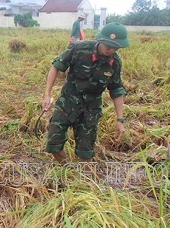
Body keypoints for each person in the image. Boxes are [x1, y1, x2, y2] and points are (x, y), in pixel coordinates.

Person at [42, 22, 129, 163]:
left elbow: (117, 90)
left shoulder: (115, 63)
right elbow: (56, 67)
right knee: (53, 145)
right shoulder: (78, 49)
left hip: (90, 110)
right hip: (67, 103)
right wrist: (47, 95)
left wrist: (120, 120)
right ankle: (66, 168)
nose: (111, 50)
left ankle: (82, 179)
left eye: (116, 47)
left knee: (86, 153)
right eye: (108, 46)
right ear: (100, 40)